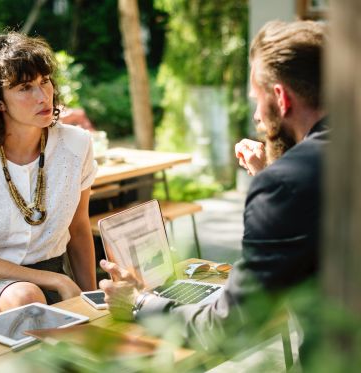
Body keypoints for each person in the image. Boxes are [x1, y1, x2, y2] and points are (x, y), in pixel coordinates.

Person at [99, 20, 328, 355]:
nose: (256, 118)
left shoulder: (285, 185)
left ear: (280, 98)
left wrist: (139, 303)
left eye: (257, 100)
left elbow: (228, 328)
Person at [0, 32, 98, 334]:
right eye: (25, 87)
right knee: (27, 298)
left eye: (45, 81)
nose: (43, 96)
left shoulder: (77, 144)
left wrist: (91, 301)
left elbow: (78, 229)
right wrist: (57, 280)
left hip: (55, 278)